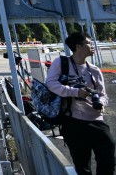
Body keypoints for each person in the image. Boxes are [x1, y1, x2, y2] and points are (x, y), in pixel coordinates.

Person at [46, 31, 114, 175]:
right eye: (89, 43)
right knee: (82, 165)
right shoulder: (61, 63)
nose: (92, 46)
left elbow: (103, 94)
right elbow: (51, 84)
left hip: (96, 119)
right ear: (78, 47)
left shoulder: (94, 70)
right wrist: (76, 92)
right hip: (73, 121)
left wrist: (100, 102)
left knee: (108, 156)